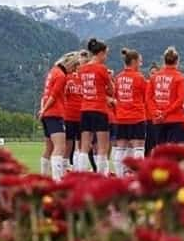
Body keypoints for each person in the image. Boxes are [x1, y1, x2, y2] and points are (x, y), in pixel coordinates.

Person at [38, 51, 80, 181]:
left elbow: (45, 93)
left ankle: (43, 177)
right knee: (60, 146)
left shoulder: (52, 71)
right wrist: (44, 109)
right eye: (74, 67)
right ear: (70, 64)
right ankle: (57, 179)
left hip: (47, 114)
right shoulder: (61, 75)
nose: (73, 71)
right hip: (55, 113)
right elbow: (54, 95)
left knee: (49, 148)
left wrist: (42, 110)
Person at [77, 38, 113, 174]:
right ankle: (101, 176)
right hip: (99, 109)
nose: (106, 57)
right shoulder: (102, 69)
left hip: (85, 109)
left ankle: (80, 175)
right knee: (102, 147)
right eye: (106, 54)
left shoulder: (82, 69)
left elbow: (82, 88)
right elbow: (110, 90)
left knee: (84, 147)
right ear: (100, 53)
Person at [112, 48, 147, 176]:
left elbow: (116, 96)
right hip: (137, 117)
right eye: (140, 61)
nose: (141, 64)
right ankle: (138, 176)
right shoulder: (139, 78)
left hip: (121, 117)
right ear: (133, 61)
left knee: (120, 148)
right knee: (139, 148)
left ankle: (120, 176)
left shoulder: (118, 78)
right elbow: (146, 97)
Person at [147, 47, 184, 146]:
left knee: (160, 149)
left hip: (158, 119)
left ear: (164, 60)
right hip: (175, 118)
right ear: (177, 61)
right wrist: (165, 113)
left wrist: (155, 112)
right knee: (173, 150)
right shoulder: (180, 78)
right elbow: (180, 100)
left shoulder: (154, 77)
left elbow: (148, 98)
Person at [63, 50, 91, 172]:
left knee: (82, 144)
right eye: (79, 63)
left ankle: (79, 169)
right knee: (68, 144)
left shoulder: (86, 79)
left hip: (83, 115)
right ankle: (64, 168)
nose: (81, 66)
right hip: (68, 115)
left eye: (84, 63)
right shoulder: (68, 77)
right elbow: (61, 95)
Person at [144, 62, 160, 156]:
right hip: (147, 118)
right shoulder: (146, 84)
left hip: (158, 119)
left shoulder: (161, 86)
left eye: (155, 73)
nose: (153, 75)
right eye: (152, 73)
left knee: (157, 144)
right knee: (148, 145)